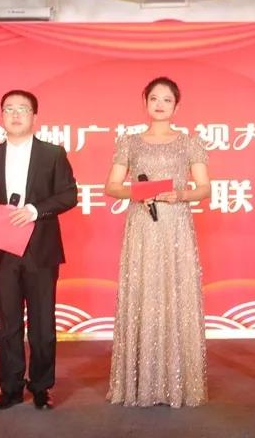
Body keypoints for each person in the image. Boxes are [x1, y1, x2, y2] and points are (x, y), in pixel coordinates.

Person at [0, 89, 77, 410]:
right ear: (2, 116)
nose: (15, 115)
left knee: (43, 323)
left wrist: (34, 210)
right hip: (1, 248)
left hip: (40, 248)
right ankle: (11, 388)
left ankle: (41, 387)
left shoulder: (52, 154)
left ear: (34, 116)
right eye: (9, 109)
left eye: (22, 109)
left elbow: (68, 195)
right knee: (8, 323)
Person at [105, 77, 211, 407]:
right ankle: (140, 383)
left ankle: (178, 382)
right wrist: (138, 192)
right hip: (142, 226)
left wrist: (180, 195)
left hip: (176, 225)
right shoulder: (130, 142)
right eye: (154, 98)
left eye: (167, 99)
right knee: (143, 293)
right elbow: (111, 186)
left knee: (176, 294)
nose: (160, 104)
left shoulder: (190, 143)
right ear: (145, 102)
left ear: (177, 106)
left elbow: (204, 188)